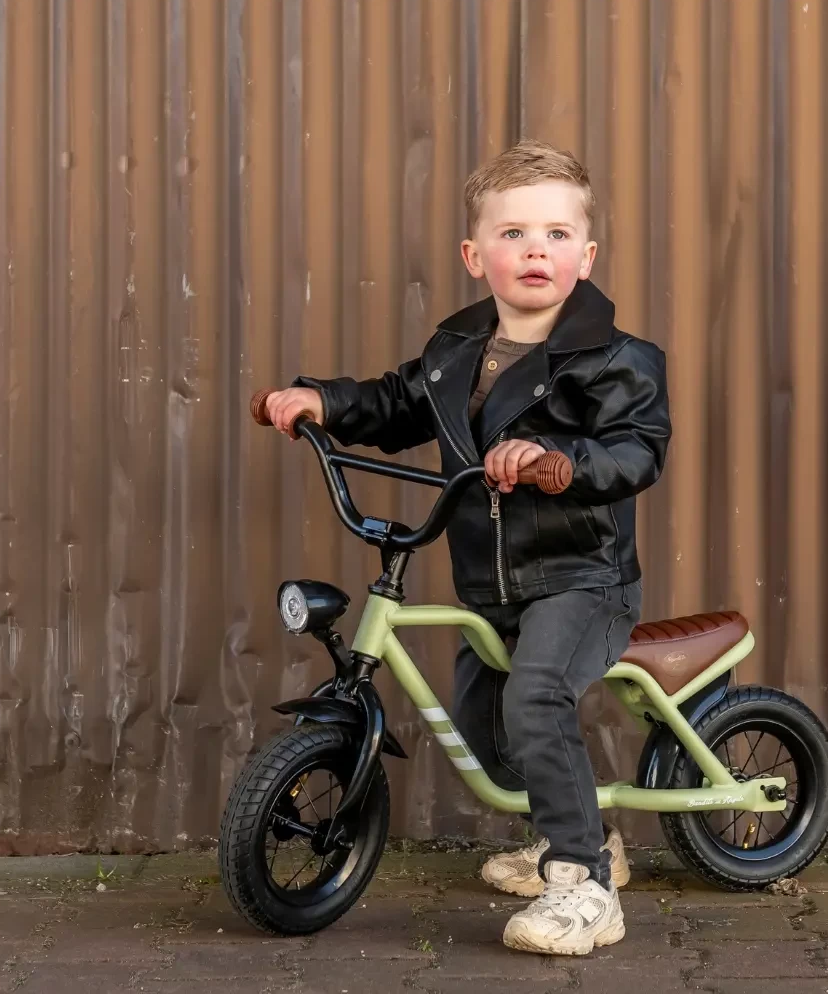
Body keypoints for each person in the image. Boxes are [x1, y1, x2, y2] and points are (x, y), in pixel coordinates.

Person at [263, 139, 671, 956]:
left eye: (557, 234)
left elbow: (636, 450)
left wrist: (559, 461)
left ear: (587, 256)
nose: (536, 250)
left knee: (536, 698)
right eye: (514, 233)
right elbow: (396, 402)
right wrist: (324, 401)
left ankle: (585, 883)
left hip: (582, 578)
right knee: (486, 728)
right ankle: (580, 829)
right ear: (475, 255)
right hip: (492, 580)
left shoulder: (618, 360)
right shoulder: (456, 354)